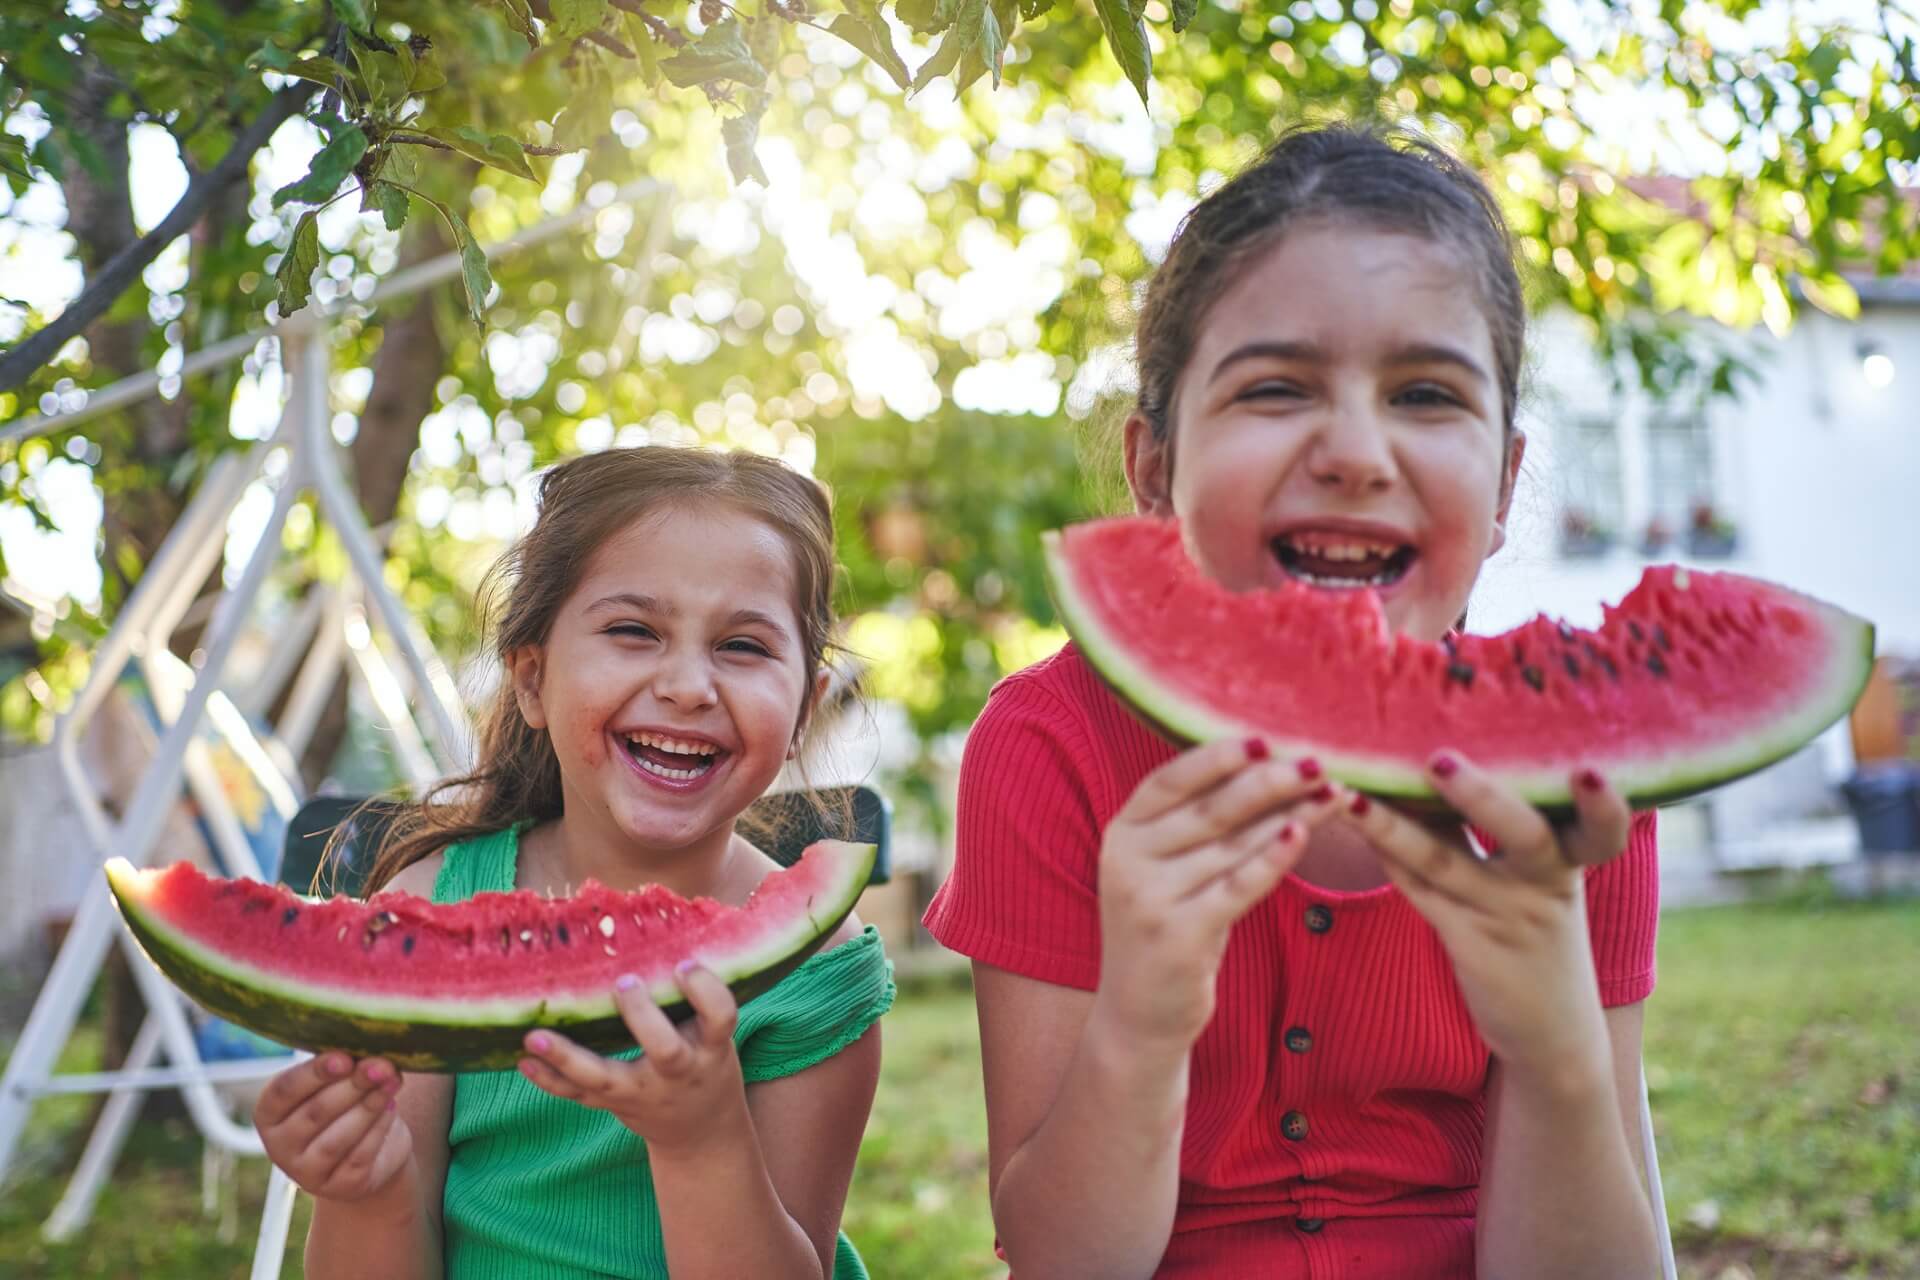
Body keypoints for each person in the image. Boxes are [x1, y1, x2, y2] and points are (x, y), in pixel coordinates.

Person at [925, 123, 1662, 1279]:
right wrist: (1143, 1019)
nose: (1357, 451)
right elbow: (1065, 1263)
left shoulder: (1572, 779)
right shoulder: (1051, 745)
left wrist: (1556, 1048)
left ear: (1508, 479)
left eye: (1426, 393)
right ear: (1155, 469)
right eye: (1276, 388)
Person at [253, 447, 894, 1279]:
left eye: (742, 646)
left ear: (805, 706)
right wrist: (365, 1193)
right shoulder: (430, 908)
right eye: (633, 631)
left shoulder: (819, 966)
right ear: (530, 677)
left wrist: (702, 1143)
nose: (689, 685)